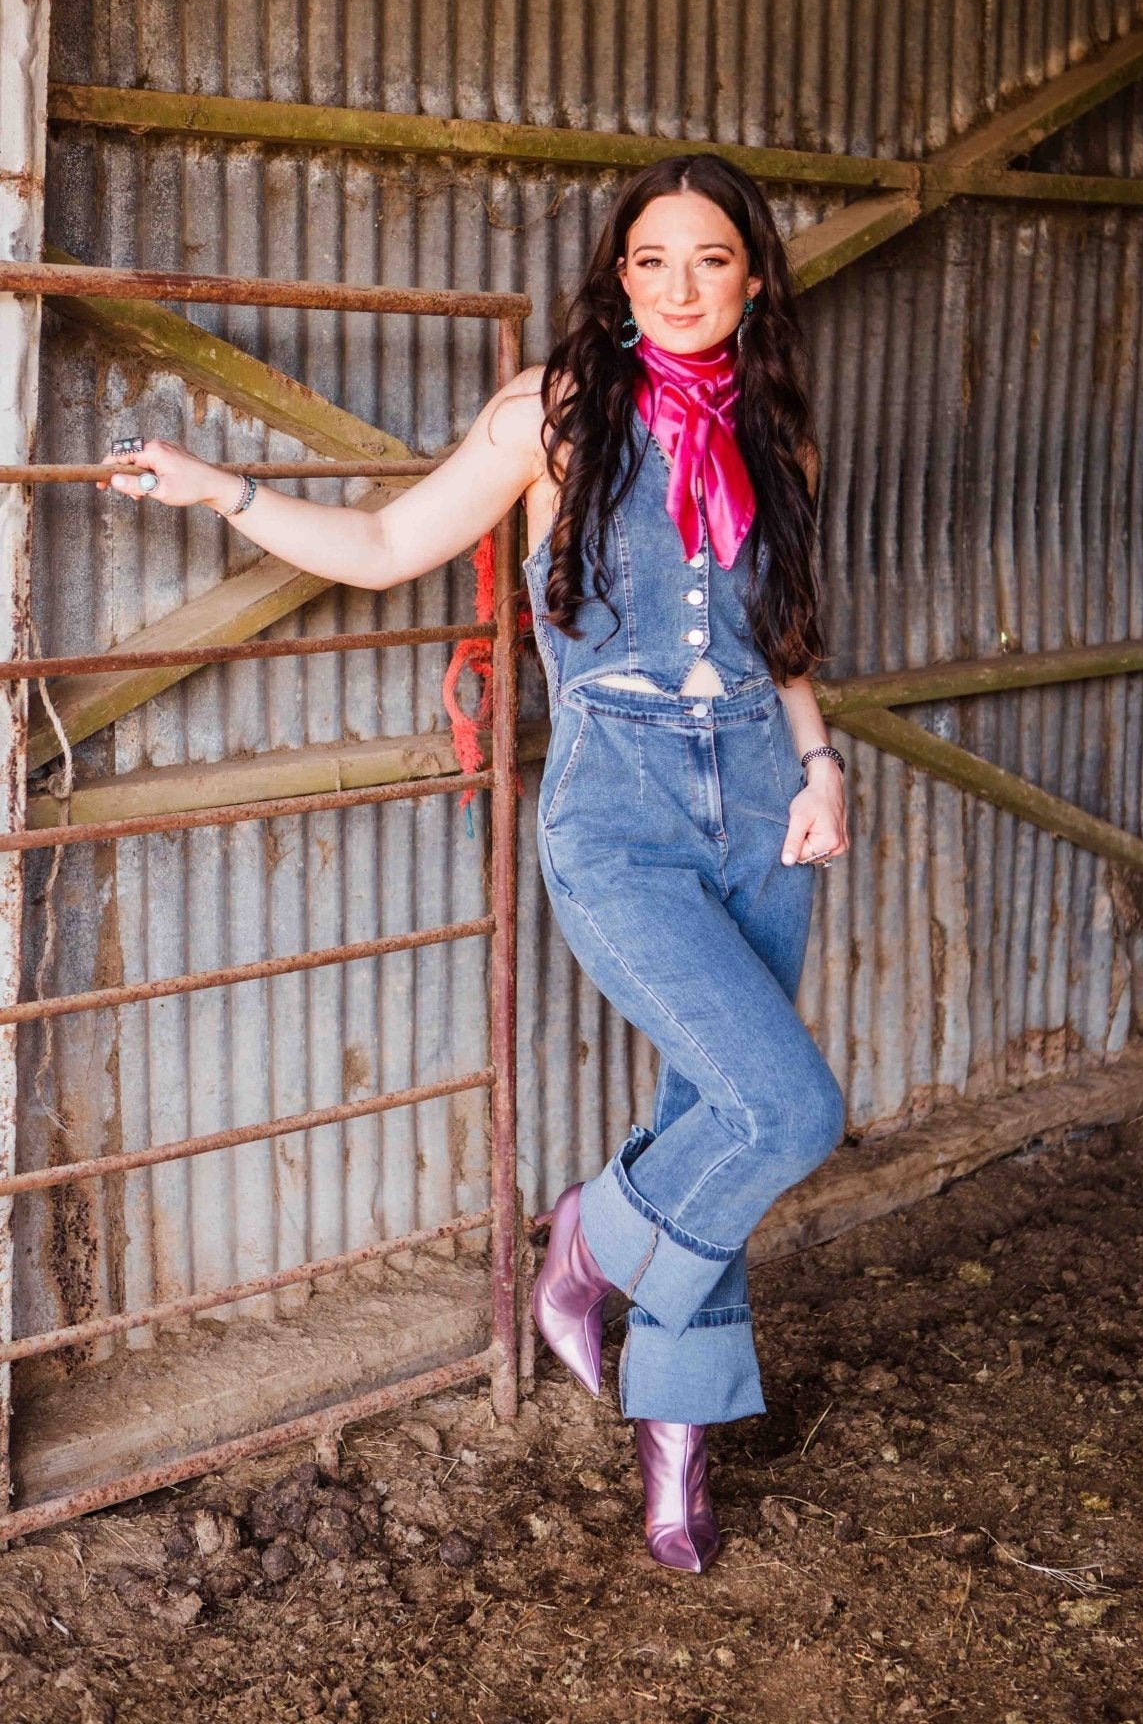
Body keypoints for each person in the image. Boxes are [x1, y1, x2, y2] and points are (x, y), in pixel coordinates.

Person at [99, 153, 850, 1575]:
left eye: (709, 260)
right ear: (618, 277)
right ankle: (589, 1243)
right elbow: (388, 541)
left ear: (753, 279)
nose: (680, 287)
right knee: (786, 1110)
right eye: (651, 260)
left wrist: (820, 769)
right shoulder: (550, 417)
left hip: (765, 808)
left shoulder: (779, 436)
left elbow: (786, 642)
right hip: (619, 815)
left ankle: (673, 1436)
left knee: (719, 1123)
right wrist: (223, 490)